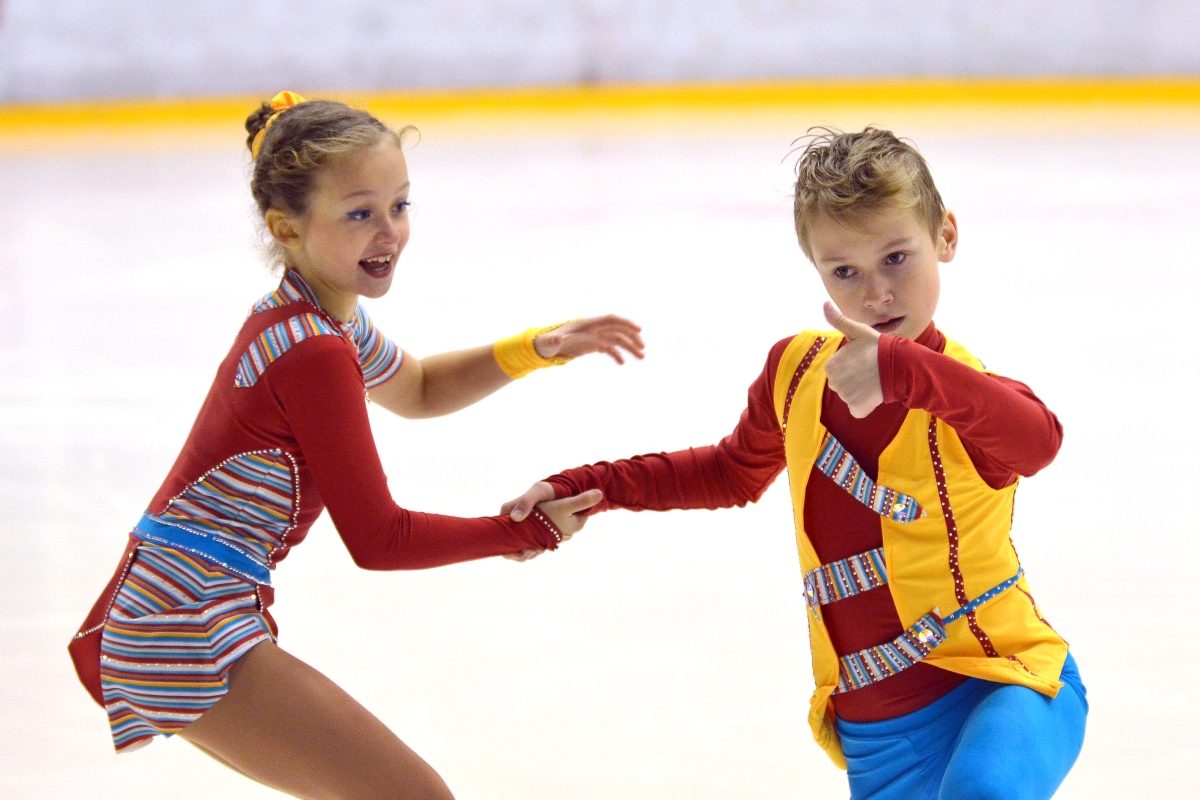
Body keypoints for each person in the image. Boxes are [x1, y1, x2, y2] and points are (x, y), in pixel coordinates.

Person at [68, 91, 644, 799]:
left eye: (400, 207)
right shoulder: (312, 350)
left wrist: (538, 349)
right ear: (287, 227)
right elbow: (379, 538)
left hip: (180, 607)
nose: (389, 234)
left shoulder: (318, 315)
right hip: (182, 618)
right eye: (359, 213)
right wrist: (519, 532)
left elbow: (422, 388)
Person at [504, 127, 1087, 799]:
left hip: (1004, 681)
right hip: (879, 736)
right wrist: (592, 487)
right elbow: (729, 473)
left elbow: (1038, 440)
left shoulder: (959, 389)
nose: (876, 295)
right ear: (816, 269)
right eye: (846, 272)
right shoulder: (796, 371)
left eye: (897, 257)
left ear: (945, 237)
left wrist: (902, 368)